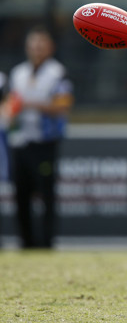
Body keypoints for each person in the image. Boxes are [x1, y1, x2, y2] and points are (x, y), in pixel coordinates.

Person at [6, 26, 74, 249]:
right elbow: (10, 105)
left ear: (50, 47)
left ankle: (46, 243)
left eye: (41, 44)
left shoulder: (57, 72)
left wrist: (29, 104)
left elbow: (63, 105)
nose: (36, 49)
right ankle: (26, 243)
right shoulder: (18, 73)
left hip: (44, 143)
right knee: (21, 194)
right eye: (33, 45)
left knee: (46, 194)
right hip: (20, 142)